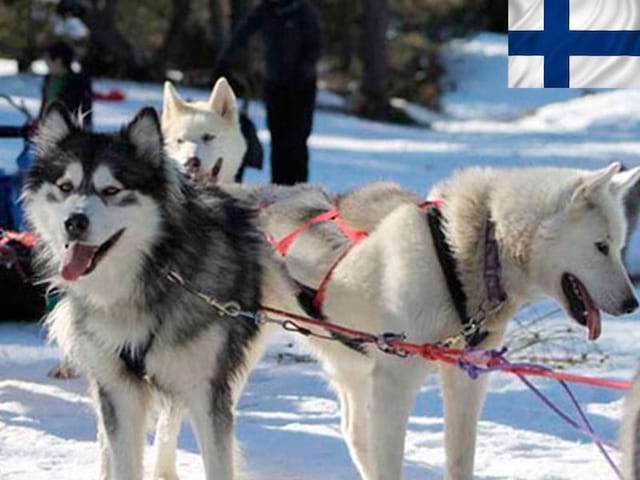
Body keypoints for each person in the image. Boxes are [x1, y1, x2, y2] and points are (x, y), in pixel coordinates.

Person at [216, 0, 322, 185]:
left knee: (296, 141)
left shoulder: (304, 11)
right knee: (278, 140)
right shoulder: (266, 10)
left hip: (302, 88)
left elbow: (315, 47)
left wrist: (303, 71)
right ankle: (279, 187)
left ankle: (300, 188)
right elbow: (242, 34)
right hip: (275, 85)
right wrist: (224, 62)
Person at [40, 41, 93, 128]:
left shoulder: (79, 82)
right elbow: (44, 106)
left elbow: (85, 112)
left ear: (58, 61)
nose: (46, 64)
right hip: (49, 130)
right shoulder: (48, 79)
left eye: (48, 60)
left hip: (71, 133)